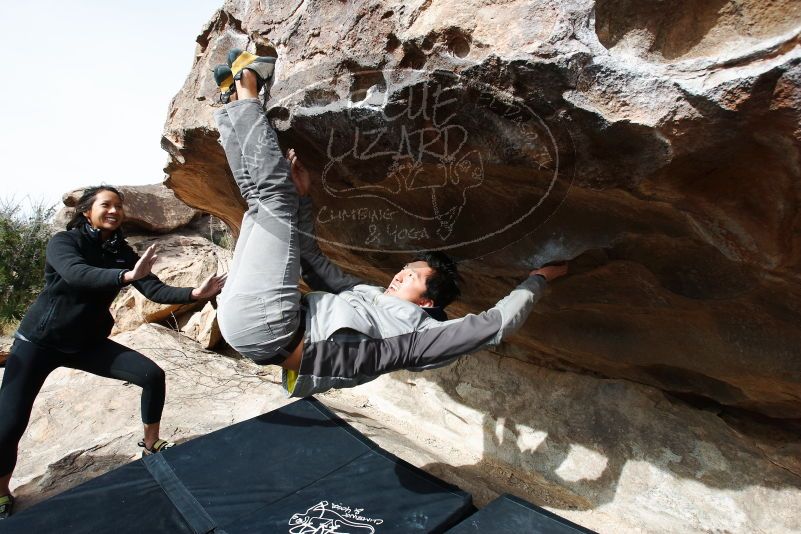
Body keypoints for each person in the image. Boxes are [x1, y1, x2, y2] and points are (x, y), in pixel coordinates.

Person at [213, 51, 567, 398]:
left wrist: (539, 278)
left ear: (427, 302)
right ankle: (231, 102)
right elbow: (308, 256)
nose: (399, 274)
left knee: (276, 194)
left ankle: (248, 91)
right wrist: (305, 198)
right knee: (263, 201)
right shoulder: (367, 298)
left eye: (413, 275)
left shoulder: (417, 336)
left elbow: (498, 323)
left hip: (270, 327)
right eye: (405, 268)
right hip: (252, 318)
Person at [0, 186, 226, 518]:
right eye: (106, 205)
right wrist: (125, 276)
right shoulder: (64, 243)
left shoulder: (120, 251)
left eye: (119, 206)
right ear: (86, 212)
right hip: (39, 343)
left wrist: (194, 291)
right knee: (8, 424)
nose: (114, 210)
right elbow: (79, 274)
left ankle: (151, 444)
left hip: (86, 343)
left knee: (152, 376)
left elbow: (153, 288)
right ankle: (2, 491)